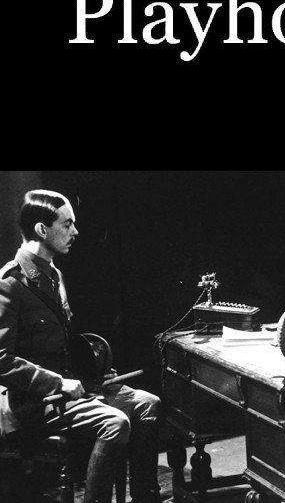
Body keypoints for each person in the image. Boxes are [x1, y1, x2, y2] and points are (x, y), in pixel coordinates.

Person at [0, 190, 163, 503]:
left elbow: (58, 345)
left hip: (69, 389)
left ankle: (145, 497)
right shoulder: (9, 283)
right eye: (67, 224)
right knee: (115, 423)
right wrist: (58, 382)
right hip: (31, 404)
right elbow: (2, 361)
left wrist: (94, 372)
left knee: (148, 403)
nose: (75, 231)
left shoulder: (54, 276)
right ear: (41, 229)